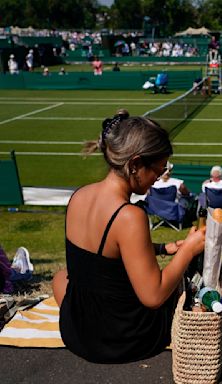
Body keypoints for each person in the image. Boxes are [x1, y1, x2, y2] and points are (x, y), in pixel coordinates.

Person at [52, 114, 206, 363]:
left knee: (61, 277)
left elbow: (101, 257)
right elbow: (153, 296)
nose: (160, 176)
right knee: (180, 293)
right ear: (135, 164)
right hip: (124, 341)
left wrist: (162, 248)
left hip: (77, 333)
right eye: (159, 169)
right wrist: (188, 250)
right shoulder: (129, 216)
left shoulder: (79, 196)